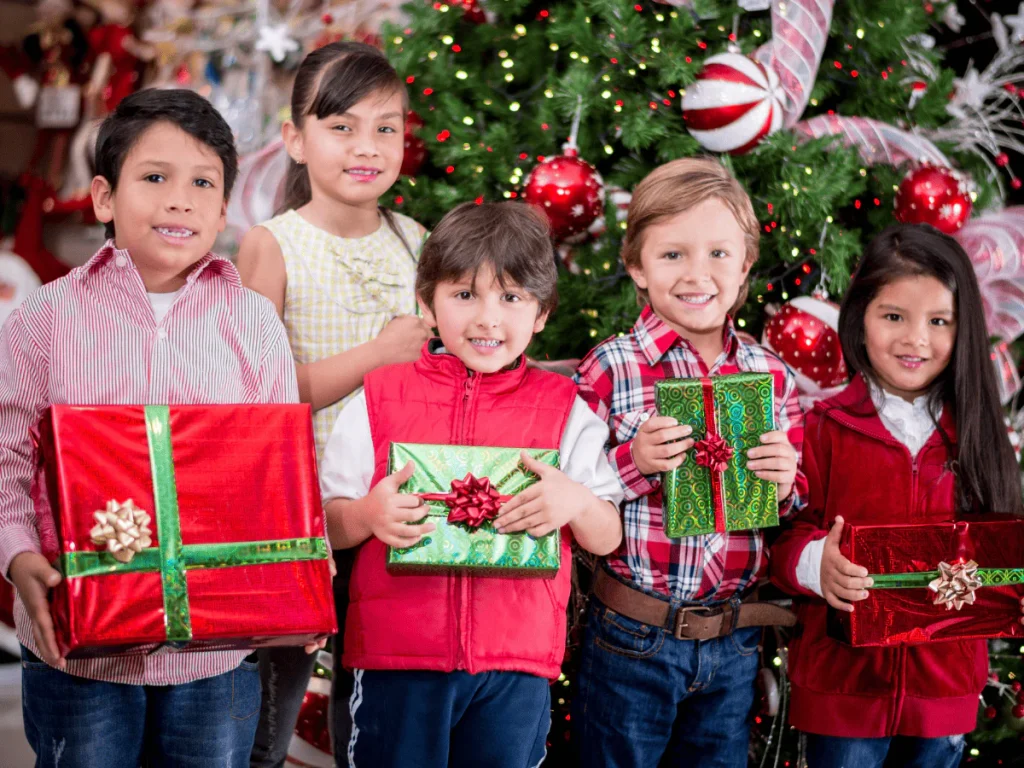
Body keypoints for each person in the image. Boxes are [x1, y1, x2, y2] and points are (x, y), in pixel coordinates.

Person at [0, 88, 301, 767]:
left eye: (202, 182)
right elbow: (7, 463)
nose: (180, 199)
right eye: (155, 177)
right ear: (105, 197)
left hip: (216, 658)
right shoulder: (44, 319)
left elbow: (275, 477)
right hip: (78, 652)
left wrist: (288, 580)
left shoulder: (252, 324)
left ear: (224, 209)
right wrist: (20, 560)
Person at [319, 201, 624, 767]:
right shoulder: (378, 398)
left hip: (516, 667)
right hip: (397, 660)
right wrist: (367, 515)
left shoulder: (567, 410)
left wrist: (574, 500)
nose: (487, 319)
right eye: (464, 295)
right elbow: (329, 523)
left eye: (510, 298)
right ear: (428, 302)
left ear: (541, 313)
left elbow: (606, 537)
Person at [572, 156, 807, 767]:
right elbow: (570, 487)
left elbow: (797, 499)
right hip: (632, 633)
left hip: (733, 641)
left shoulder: (770, 375)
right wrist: (633, 461)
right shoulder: (612, 367)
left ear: (746, 266)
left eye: (718, 254)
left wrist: (785, 484)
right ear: (637, 268)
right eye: (672, 254)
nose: (696, 273)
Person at [235, 41, 431, 766]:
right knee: (267, 710)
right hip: (298, 517)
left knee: (372, 709)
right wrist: (375, 356)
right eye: (341, 126)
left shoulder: (415, 241)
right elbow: (256, 396)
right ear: (295, 139)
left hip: (393, 511)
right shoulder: (274, 245)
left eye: (386, 127)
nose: (367, 146)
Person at [770, 224, 1024, 768]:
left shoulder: (977, 433)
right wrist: (819, 563)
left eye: (939, 322)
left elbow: (1000, 561)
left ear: (964, 331)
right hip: (843, 692)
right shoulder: (823, 426)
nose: (916, 340)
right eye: (893, 317)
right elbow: (783, 541)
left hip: (944, 692)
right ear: (859, 319)